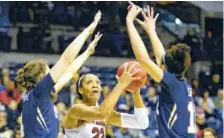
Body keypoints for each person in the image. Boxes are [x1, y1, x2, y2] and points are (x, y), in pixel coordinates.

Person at [16, 11, 102, 138]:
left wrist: (87, 52)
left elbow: (68, 72)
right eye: (48, 71)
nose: (52, 72)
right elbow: (66, 60)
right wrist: (89, 30)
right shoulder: (38, 92)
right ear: (41, 77)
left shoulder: (39, 96)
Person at [126, 2, 196, 138]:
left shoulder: (172, 83)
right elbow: (161, 57)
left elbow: (144, 60)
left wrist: (129, 21)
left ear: (164, 68)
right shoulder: (180, 82)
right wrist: (151, 30)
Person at [62, 64, 149, 138]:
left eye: (97, 83)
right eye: (89, 82)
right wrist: (120, 85)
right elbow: (100, 113)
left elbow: (141, 123)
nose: (95, 85)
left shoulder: (106, 115)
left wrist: (135, 94)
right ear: (80, 90)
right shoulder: (76, 110)